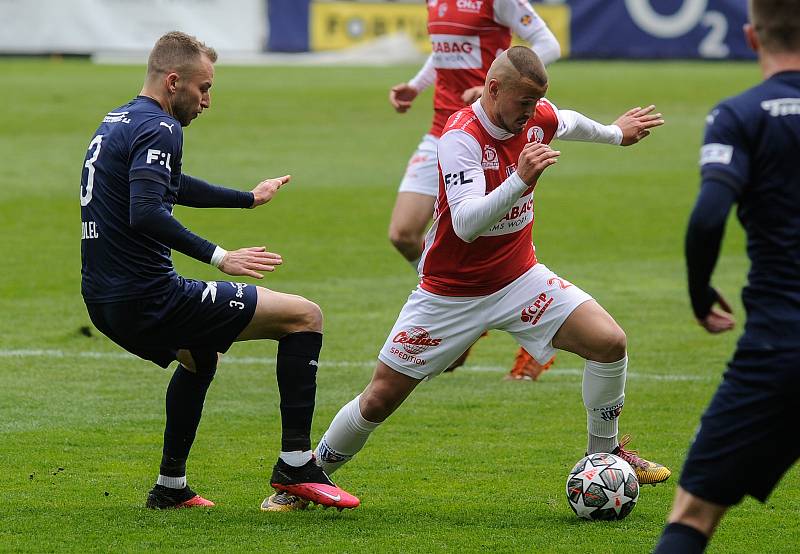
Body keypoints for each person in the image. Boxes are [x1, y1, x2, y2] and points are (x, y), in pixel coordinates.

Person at [273, 46, 670, 511]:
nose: (529, 114)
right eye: (522, 103)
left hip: (520, 278)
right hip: (450, 294)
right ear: (493, 89)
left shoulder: (535, 115)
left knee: (609, 342)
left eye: (534, 103)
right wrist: (519, 180)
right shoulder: (460, 135)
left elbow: (567, 119)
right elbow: (465, 223)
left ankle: (604, 454)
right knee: (380, 398)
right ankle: (304, 480)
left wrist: (615, 134)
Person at [79, 31, 358, 512]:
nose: (207, 100)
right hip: (149, 296)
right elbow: (144, 211)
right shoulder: (162, 128)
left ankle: (170, 487)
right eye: (203, 88)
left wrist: (247, 198)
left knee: (199, 358)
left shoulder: (117, 121)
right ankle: (296, 465)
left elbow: (167, 183)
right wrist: (220, 256)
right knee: (303, 316)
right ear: (173, 81)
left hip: (105, 297)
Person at [653, 1, 800, 551]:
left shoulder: (738, 115)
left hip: (779, 346)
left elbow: (709, 215)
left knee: (692, 514)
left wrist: (698, 293)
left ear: (750, 36)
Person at [389, 0, 562, 379]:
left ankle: (534, 341)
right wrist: (416, 87)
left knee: (501, 227)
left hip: (490, 131)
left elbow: (548, 45)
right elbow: (443, 54)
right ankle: (463, 311)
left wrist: (491, 86)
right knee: (403, 233)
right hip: (442, 130)